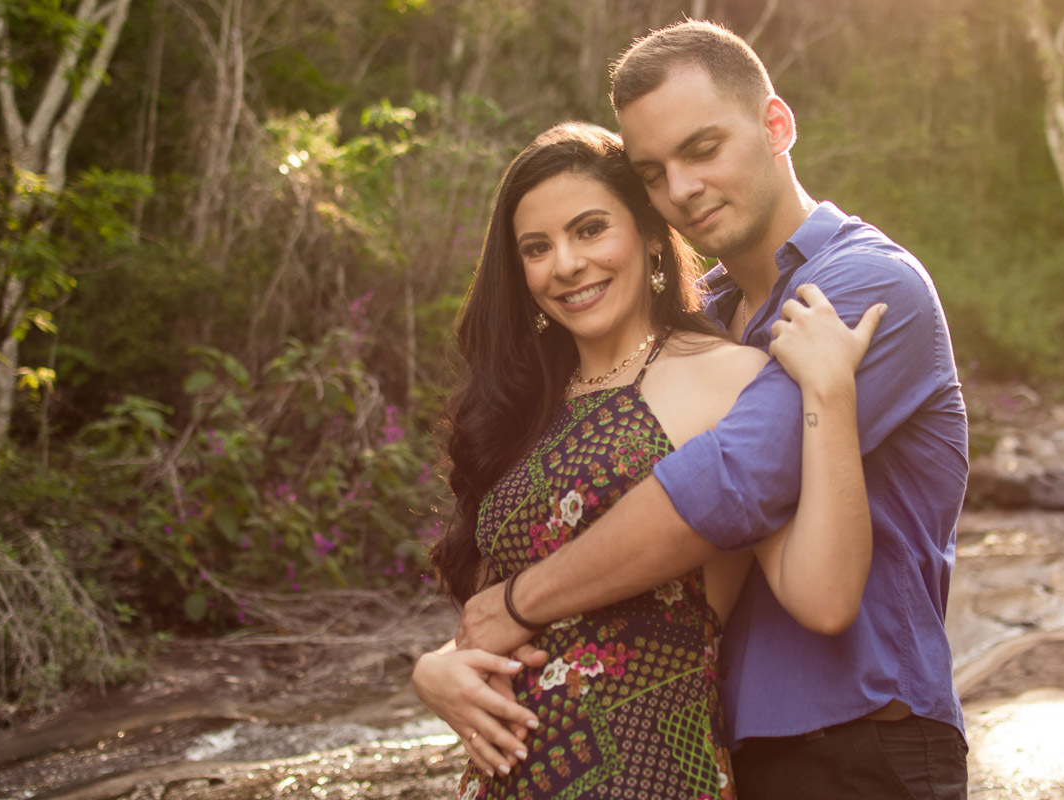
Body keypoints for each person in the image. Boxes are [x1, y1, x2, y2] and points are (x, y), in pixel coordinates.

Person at [451, 20, 970, 800]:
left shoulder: (863, 287)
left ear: (776, 125)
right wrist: (446, 662)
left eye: (703, 150)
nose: (681, 191)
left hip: (863, 737)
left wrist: (518, 604)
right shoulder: (703, 322)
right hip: (726, 743)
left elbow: (726, 487)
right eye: (654, 173)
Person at [414, 120, 883, 798]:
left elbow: (825, 596)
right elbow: (495, 613)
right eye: (537, 248)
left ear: (647, 233)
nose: (567, 264)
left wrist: (831, 394)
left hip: (650, 773)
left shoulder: (734, 378)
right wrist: (435, 670)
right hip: (502, 780)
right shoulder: (524, 409)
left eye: (590, 229)